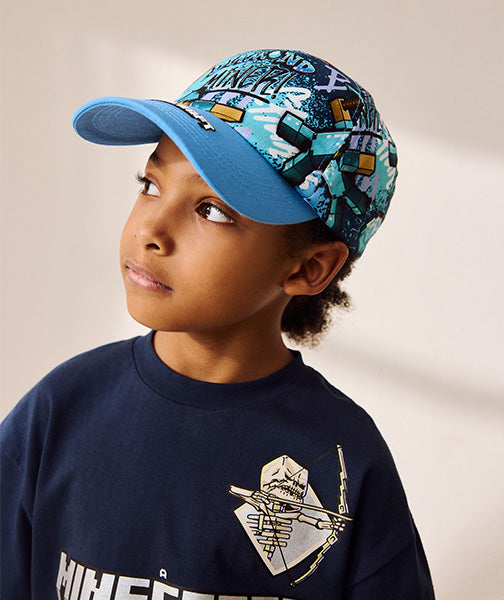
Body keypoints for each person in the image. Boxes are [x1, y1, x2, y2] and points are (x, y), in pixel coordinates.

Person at [0, 49, 435, 599]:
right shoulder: (61, 410)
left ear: (308, 268)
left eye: (212, 210)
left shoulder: (339, 460)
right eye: (151, 183)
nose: (151, 230)